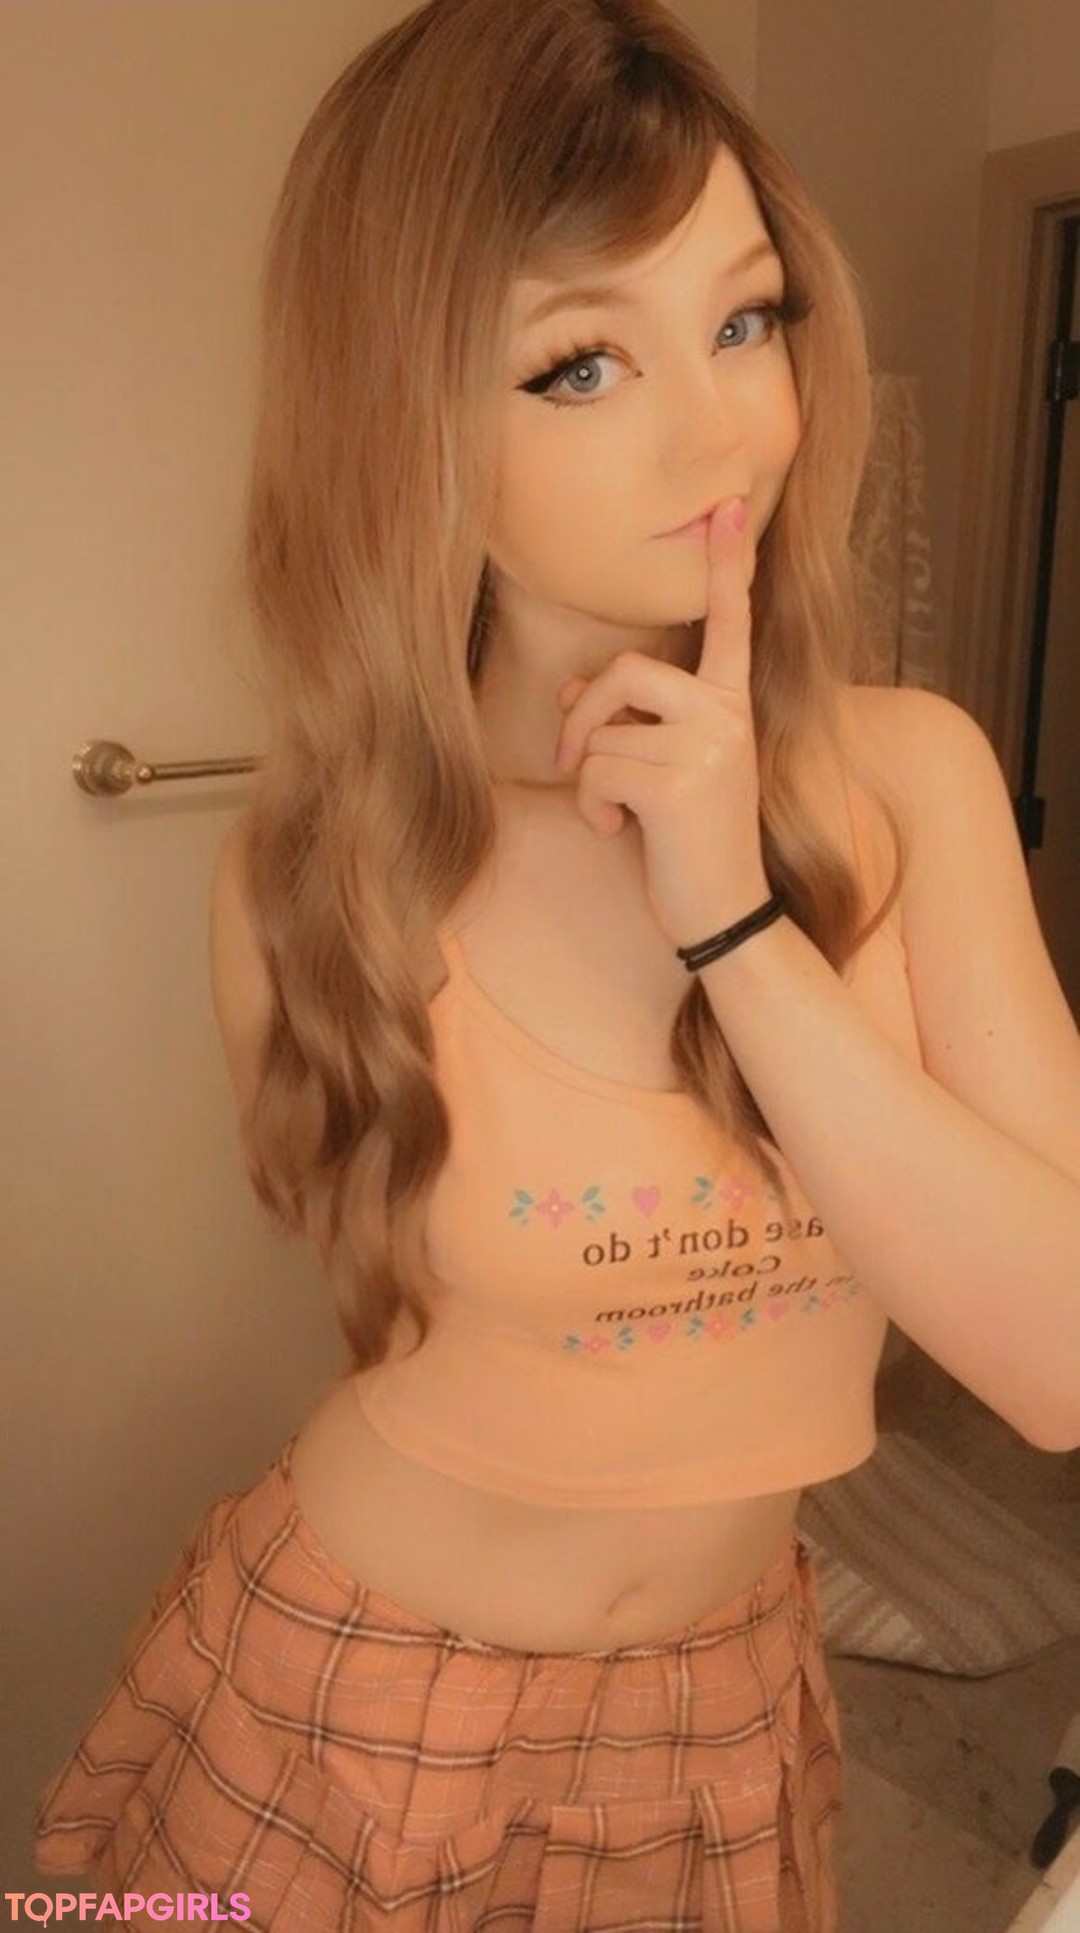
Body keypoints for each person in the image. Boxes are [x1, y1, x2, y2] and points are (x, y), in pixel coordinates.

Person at [33, 0, 1080, 1927]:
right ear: (407, 417)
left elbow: (1063, 1367)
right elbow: (411, 1333)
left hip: (728, 1709)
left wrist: (735, 924)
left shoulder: (916, 782)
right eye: (581, 362)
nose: (720, 429)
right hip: (346, 1691)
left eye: (745, 320)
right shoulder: (313, 872)